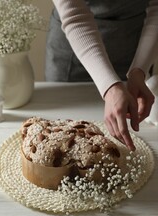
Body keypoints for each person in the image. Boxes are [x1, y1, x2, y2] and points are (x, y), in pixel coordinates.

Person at [45, 0, 158, 151]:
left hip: (136, 41)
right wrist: (110, 87)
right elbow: (75, 16)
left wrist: (139, 70)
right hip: (73, 53)